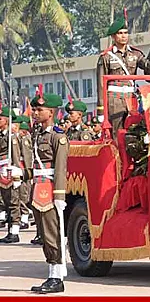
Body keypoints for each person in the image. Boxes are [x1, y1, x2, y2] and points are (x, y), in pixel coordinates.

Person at [96, 16, 150, 138]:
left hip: (131, 97)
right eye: (120, 33)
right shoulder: (106, 57)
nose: (124, 36)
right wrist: (101, 110)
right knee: (117, 131)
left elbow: (146, 64)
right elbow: (100, 84)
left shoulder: (135, 53)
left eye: (125, 33)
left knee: (135, 129)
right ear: (113, 37)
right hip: (114, 99)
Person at [29, 91, 69, 293]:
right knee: (44, 234)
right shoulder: (37, 133)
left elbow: (61, 168)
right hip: (38, 187)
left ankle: (56, 277)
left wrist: (59, 195)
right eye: (34, 109)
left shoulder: (57, 136)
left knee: (53, 234)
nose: (35, 113)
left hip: (50, 189)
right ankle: (51, 274)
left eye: (39, 109)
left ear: (51, 112)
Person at [0, 107, 23, 243]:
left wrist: (16, 175)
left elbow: (15, 156)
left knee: (13, 201)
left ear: (7, 120)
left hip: (9, 170)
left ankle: (14, 231)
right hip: (1, 171)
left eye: (1, 118)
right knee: (5, 201)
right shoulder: (2, 135)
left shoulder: (11, 137)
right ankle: (10, 230)